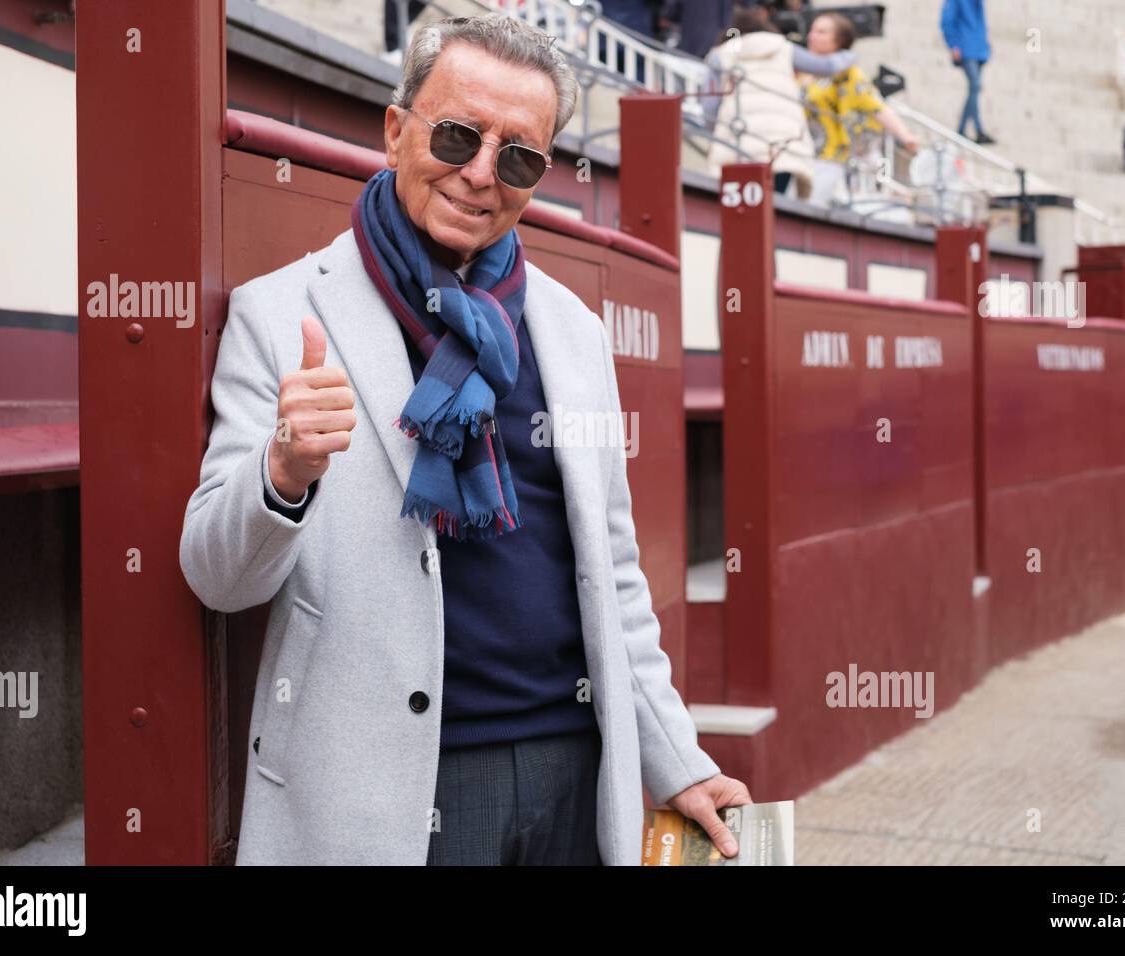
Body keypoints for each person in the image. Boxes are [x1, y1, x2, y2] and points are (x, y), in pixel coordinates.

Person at [179, 13, 750, 866]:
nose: (481, 175)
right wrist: (283, 472)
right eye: (457, 135)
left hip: (576, 773)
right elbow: (217, 578)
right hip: (383, 794)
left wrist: (675, 758)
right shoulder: (282, 312)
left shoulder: (572, 332)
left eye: (518, 156)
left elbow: (614, 573)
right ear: (396, 127)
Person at [703, 5, 855, 196]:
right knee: (776, 202)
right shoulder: (782, 47)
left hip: (738, 140)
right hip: (783, 144)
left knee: (741, 208)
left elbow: (710, 106)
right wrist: (850, 54)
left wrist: (712, 135)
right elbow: (826, 66)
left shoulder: (719, 55)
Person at [803, 12, 920, 207]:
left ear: (838, 40)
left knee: (809, 206)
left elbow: (875, 106)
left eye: (822, 32)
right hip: (802, 154)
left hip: (828, 156)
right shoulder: (804, 72)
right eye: (813, 30)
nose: (812, 36)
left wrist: (905, 135)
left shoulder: (847, 74)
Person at [940, 0, 994, 144]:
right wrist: (953, 45)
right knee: (975, 86)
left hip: (979, 49)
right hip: (966, 48)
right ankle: (974, 130)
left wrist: (986, 46)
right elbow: (947, 21)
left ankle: (965, 130)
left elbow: (980, 22)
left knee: (974, 89)